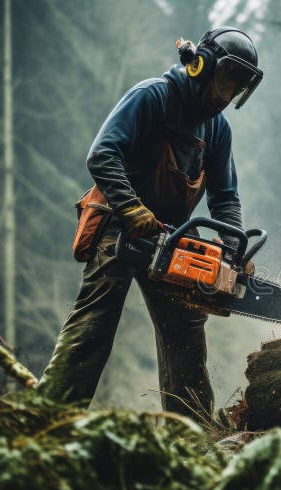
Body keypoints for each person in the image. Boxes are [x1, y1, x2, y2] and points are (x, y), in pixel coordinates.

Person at [37, 27, 262, 417]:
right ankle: (45, 418)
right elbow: (103, 154)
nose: (225, 96)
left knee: (186, 334)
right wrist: (132, 208)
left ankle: (188, 437)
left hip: (170, 239)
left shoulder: (217, 129)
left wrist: (233, 250)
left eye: (234, 88)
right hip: (119, 225)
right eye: (224, 83)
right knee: (94, 325)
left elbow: (225, 198)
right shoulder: (152, 96)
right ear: (201, 67)